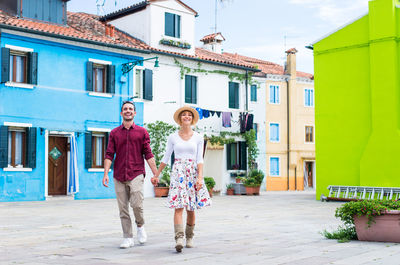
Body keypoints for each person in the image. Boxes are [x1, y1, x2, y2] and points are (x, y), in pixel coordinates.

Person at [151, 106, 211, 252]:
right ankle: (179, 238)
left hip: (192, 172)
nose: (186, 117)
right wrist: (157, 174)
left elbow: (199, 159)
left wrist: (200, 177)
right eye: (183, 115)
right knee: (178, 206)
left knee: (191, 208)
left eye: (189, 115)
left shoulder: (198, 137)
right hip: (178, 173)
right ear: (180, 119)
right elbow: (166, 157)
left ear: (192, 119)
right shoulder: (173, 137)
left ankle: (189, 237)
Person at [103, 101, 158, 249]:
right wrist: (106, 173)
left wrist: (156, 173)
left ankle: (140, 226)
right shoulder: (114, 133)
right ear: (121, 113)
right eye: (125, 109)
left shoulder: (142, 132)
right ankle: (127, 237)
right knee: (123, 209)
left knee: (137, 203)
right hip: (119, 174)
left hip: (136, 173)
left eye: (130, 109)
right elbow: (109, 154)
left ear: (134, 113)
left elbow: (148, 153)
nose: (128, 111)